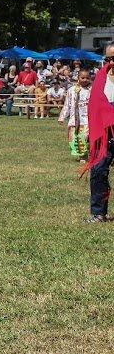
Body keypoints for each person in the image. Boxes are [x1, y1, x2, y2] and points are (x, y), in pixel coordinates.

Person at [85, 43, 114, 223]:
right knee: (98, 172)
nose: (111, 62)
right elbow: (94, 106)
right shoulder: (101, 78)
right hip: (103, 135)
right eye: (108, 58)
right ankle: (98, 213)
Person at [59, 69, 91, 161]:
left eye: (87, 78)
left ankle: (88, 154)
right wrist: (62, 117)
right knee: (74, 138)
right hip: (74, 119)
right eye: (83, 77)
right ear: (78, 78)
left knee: (85, 137)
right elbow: (67, 105)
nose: (85, 80)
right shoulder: (71, 90)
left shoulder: (92, 89)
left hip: (87, 119)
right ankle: (82, 156)